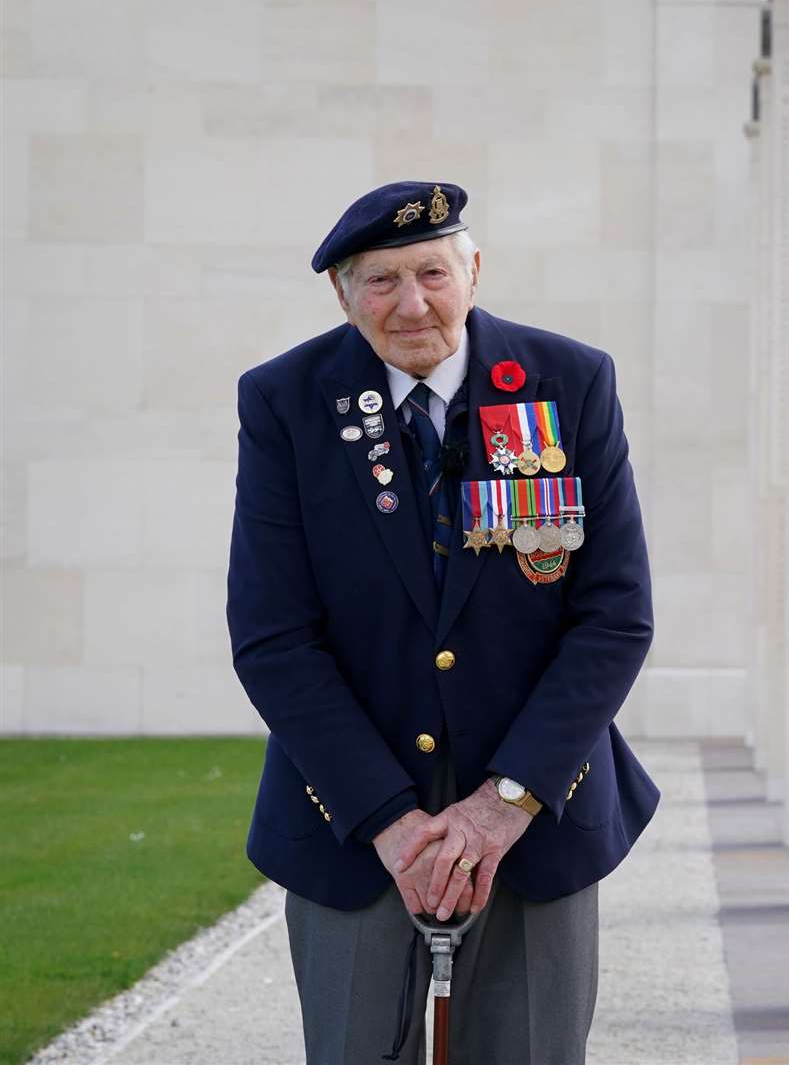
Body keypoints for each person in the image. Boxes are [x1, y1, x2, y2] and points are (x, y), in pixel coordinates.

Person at [226, 180, 657, 1063]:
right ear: (342, 296)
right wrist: (387, 818)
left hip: (537, 812)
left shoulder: (568, 382)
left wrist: (504, 805)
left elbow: (614, 615)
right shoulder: (287, 400)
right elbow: (272, 634)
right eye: (379, 281)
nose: (411, 303)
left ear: (473, 270)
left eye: (431, 272)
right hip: (350, 817)